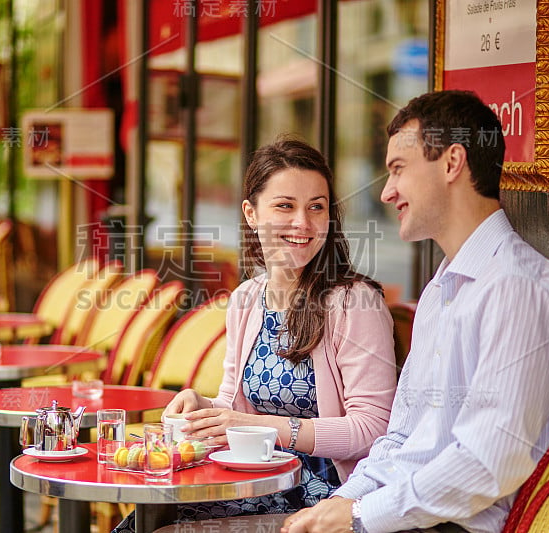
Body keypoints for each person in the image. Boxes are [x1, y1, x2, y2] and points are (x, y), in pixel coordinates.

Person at [282, 90, 549, 533]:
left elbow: (488, 464)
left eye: (398, 170)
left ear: (451, 163)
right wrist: (338, 505)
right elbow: (401, 440)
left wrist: (360, 515)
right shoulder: (442, 290)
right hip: (407, 520)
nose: (386, 192)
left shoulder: (519, 287)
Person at [112, 137, 398, 531]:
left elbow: (373, 429)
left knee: (162, 526)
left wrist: (268, 428)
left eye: (317, 207)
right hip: (248, 478)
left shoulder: (354, 303)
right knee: (145, 519)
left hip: (322, 493)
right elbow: (235, 405)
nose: (303, 222)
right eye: (285, 206)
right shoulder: (247, 298)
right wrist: (203, 405)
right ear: (251, 213)